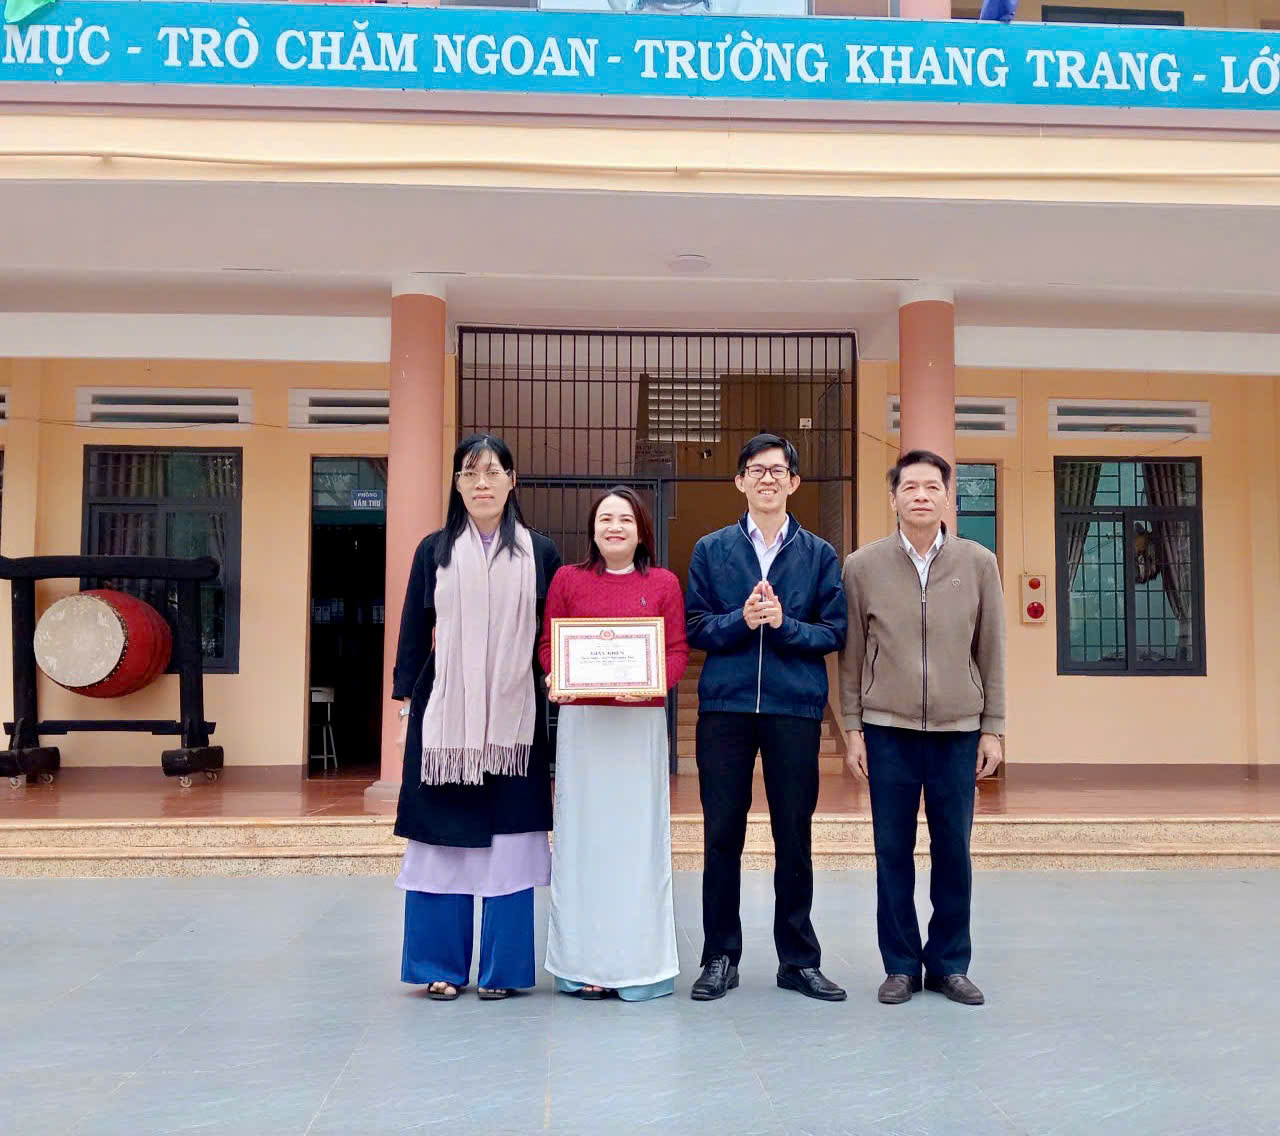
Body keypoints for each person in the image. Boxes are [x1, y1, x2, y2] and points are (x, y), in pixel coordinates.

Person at [391, 434, 562, 1001]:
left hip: (515, 723)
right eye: (470, 472)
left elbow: (552, 634)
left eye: (493, 472)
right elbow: (413, 631)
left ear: (512, 481)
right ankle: (438, 965)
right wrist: (404, 703)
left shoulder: (541, 553)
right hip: (447, 722)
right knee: (442, 844)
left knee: (509, 846)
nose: (482, 482)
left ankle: (502, 972)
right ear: (457, 483)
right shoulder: (433, 550)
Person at [839, 449, 1006, 1007]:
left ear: (948, 498)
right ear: (893, 498)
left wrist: (993, 727)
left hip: (959, 731)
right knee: (892, 850)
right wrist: (853, 729)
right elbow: (850, 656)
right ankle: (901, 966)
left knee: (954, 849)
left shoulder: (979, 563)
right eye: (909, 487)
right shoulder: (862, 566)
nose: (920, 496)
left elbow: (992, 650)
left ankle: (950, 964)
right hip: (887, 730)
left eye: (932, 487)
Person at [685, 434, 848, 1002]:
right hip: (725, 709)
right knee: (721, 835)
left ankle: (798, 960)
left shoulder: (819, 554)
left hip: (793, 709)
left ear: (794, 482)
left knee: (794, 835)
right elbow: (695, 626)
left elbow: (834, 632)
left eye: (778, 470)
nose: (767, 479)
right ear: (740, 481)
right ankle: (719, 957)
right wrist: (742, 619)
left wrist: (783, 624)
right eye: (756, 470)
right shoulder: (711, 549)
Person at [539, 487, 689, 1001]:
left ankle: (638, 966)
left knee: (636, 842)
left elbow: (676, 650)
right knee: (583, 840)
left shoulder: (663, 583)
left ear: (641, 529)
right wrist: (556, 673)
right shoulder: (567, 579)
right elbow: (548, 643)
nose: (615, 527)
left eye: (625, 518)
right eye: (605, 518)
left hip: (637, 726)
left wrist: (653, 683)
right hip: (584, 726)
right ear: (593, 529)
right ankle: (581, 963)